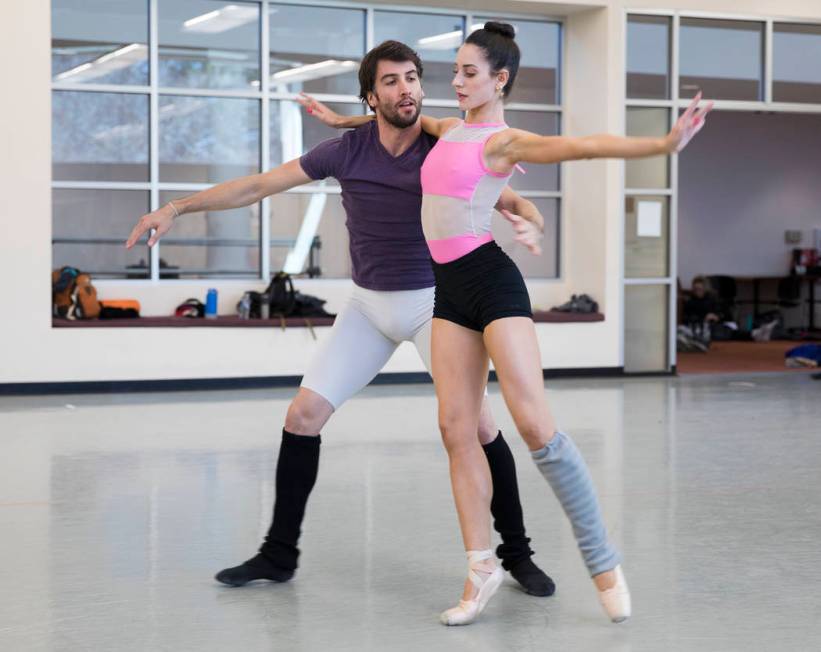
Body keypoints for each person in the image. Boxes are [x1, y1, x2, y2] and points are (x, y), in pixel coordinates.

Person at [305, 22, 711, 626]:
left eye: (470, 73)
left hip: (492, 283)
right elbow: (396, 122)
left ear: (500, 80)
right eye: (456, 72)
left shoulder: (503, 142)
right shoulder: (448, 129)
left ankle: (602, 561)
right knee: (455, 427)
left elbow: (584, 146)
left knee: (532, 422)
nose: (458, 82)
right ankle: (480, 569)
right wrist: (345, 123)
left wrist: (661, 145)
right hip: (448, 294)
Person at [125, 40, 557, 597]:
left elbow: (508, 197)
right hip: (367, 305)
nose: (407, 89)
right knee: (302, 415)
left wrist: (529, 219)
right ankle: (278, 555)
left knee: (478, 427)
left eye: (413, 78)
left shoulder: (443, 145)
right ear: (371, 95)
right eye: (392, 81)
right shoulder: (345, 151)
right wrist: (177, 207)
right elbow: (258, 185)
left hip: (435, 304)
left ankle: (517, 555)